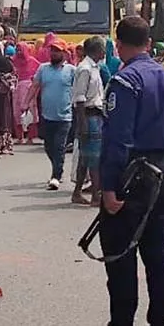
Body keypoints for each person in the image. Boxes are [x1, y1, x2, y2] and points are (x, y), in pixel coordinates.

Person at [79, 16, 164, 326]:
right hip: (161, 175)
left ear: (118, 45)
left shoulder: (124, 80)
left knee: (120, 261)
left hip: (132, 176)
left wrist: (108, 188)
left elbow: (117, 140)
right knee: (157, 258)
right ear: (149, 42)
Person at [26, 40, 73, 188]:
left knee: (59, 146)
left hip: (65, 116)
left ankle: (56, 176)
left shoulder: (72, 70)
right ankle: (57, 168)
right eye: (52, 50)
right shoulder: (43, 69)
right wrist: (26, 102)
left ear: (64, 53)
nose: (54, 53)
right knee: (49, 147)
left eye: (57, 51)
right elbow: (35, 86)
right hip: (47, 115)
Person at [71, 37, 105, 205]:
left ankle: (77, 192)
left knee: (85, 158)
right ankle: (96, 195)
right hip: (89, 116)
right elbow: (79, 98)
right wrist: (82, 123)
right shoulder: (85, 69)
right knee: (94, 158)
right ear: (97, 50)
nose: (104, 52)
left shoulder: (95, 67)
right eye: (103, 49)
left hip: (96, 114)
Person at [10, 38, 41, 145]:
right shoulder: (13, 61)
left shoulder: (33, 61)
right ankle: (20, 137)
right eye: (17, 50)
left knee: (31, 113)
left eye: (21, 50)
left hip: (29, 89)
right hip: (16, 89)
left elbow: (39, 75)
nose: (19, 52)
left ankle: (30, 137)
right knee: (17, 112)